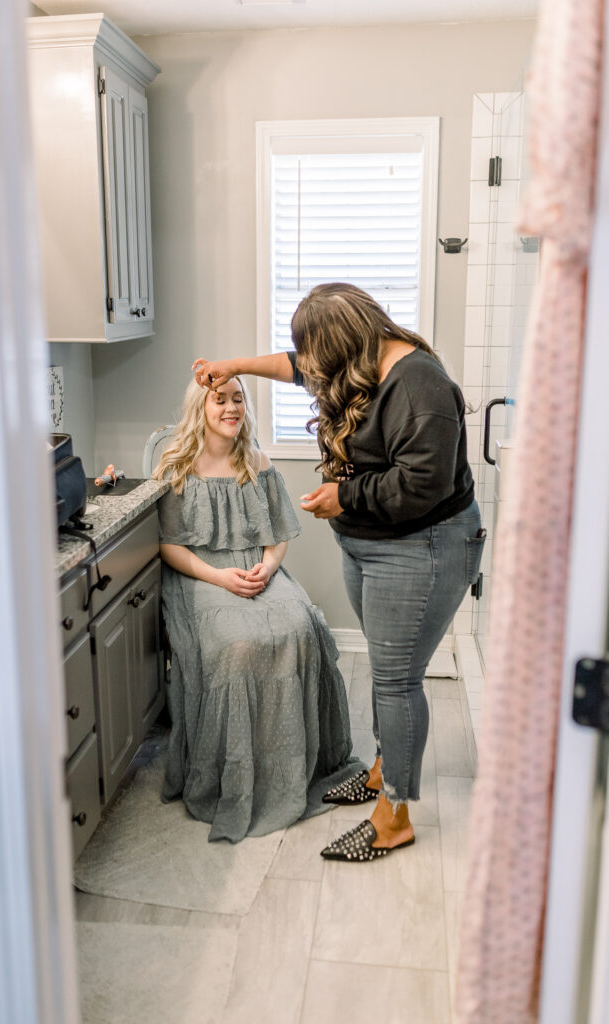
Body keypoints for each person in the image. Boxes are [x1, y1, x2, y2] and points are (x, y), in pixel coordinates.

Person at [192, 282, 485, 863]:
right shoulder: (362, 356)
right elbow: (296, 365)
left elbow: (420, 485)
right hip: (376, 547)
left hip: (422, 548)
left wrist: (342, 498)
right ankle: (383, 770)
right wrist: (233, 363)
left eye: (320, 360)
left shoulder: (421, 387)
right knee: (386, 671)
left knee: (398, 681)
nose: (311, 373)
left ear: (348, 344)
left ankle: (395, 814)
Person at [150, 373, 363, 843]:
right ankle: (234, 776)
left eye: (238, 399)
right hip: (200, 575)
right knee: (239, 646)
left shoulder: (257, 463)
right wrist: (221, 577)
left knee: (301, 630)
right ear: (199, 409)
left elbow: (278, 538)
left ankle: (295, 770)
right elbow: (170, 546)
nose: (231, 408)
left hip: (258, 569)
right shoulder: (176, 467)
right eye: (219, 400)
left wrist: (266, 569)